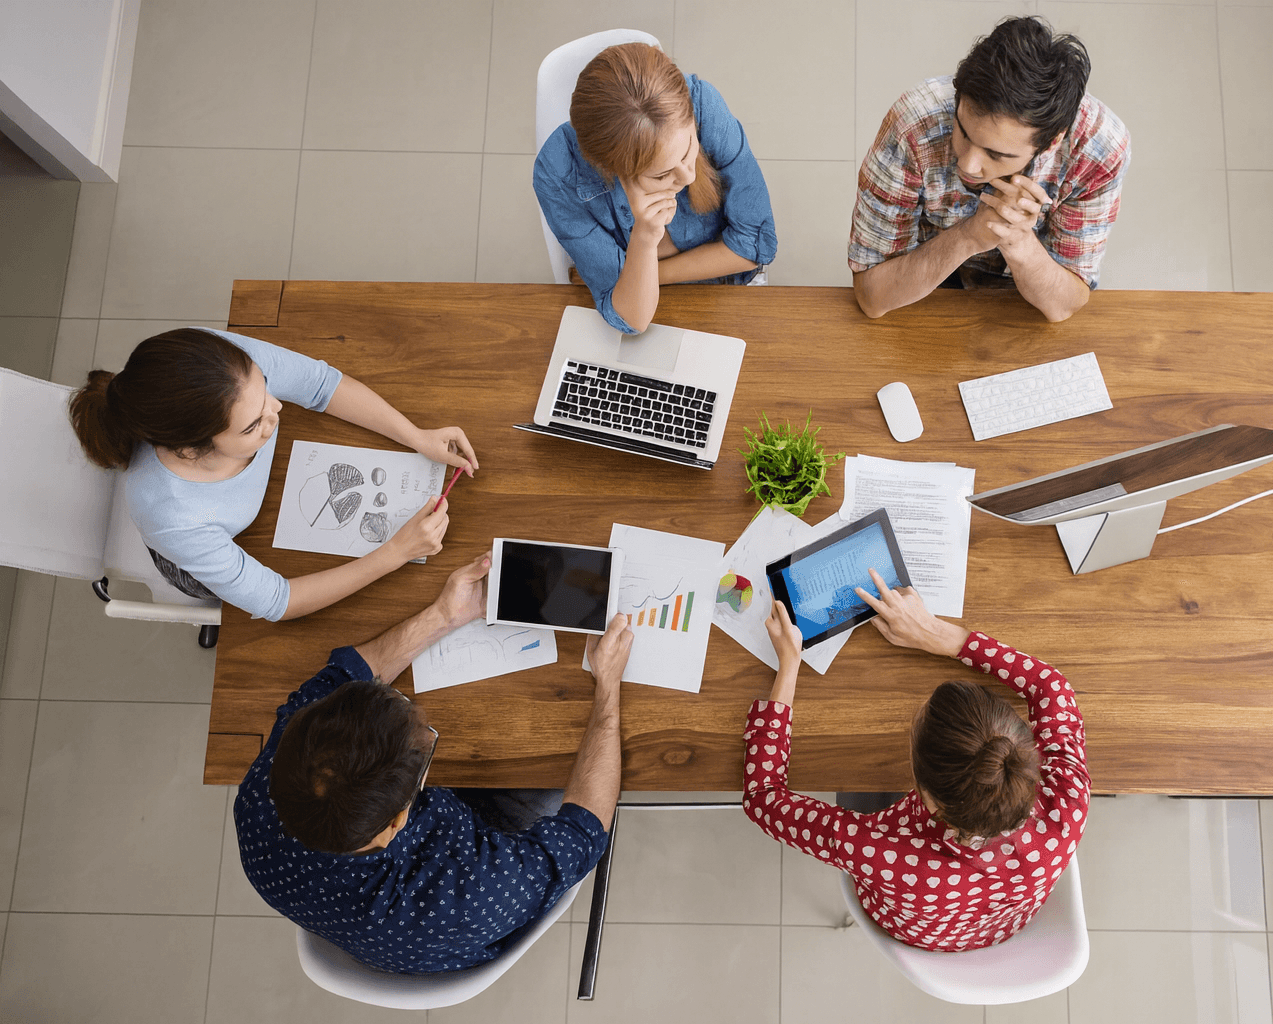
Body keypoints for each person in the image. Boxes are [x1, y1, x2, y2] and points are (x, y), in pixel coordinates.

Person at [234, 551, 632, 974]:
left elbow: (344, 674)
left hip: (366, 907)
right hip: (458, 892)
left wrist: (446, 614)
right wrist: (608, 684)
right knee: (554, 767)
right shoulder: (472, 891)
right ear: (395, 824)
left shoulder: (266, 791)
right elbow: (583, 834)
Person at [742, 570, 1089, 951]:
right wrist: (936, 633)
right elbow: (1051, 686)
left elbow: (763, 799)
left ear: (927, 798)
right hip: (1005, 921)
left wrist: (789, 664)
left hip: (913, 927)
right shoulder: (1069, 798)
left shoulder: (882, 851)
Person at [68, 327, 478, 621]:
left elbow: (320, 386)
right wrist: (395, 552)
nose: (277, 410)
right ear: (192, 449)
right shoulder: (172, 515)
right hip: (210, 554)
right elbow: (278, 601)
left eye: (266, 390)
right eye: (252, 426)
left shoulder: (221, 367)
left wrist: (415, 436)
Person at [848, 16, 1130, 323]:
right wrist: (969, 236)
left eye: (996, 154)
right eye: (964, 132)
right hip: (920, 293)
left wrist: (1016, 238)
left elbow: (1063, 305)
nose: (967, 164)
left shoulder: (1098, 149)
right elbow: (871, 296)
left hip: (1026, 305)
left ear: (1053, 142)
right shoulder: (916, 122)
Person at [533, 42, 777, 334]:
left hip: (727, 289)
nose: (687, 177)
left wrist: (641, 274)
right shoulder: (558, 174)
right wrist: (645, 237)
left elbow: (754, 245)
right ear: (615, 173)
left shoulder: (701, 102)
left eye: (688, 150)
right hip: (642, 308)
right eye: (662, 175)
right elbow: (632, 319)